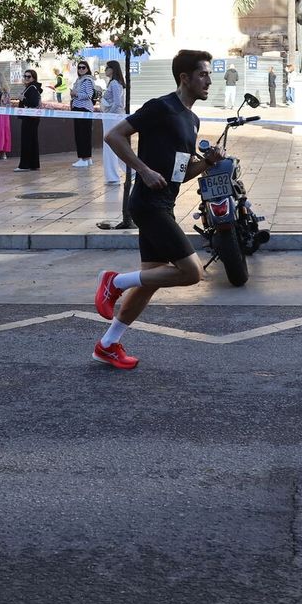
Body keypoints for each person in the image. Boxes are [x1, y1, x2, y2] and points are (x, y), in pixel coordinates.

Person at [91, 50, 227, 370]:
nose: (209, 80)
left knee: (149, 281)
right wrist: (143, 169)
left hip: (165, 202)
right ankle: (114, 283)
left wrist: (207, 162)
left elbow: (180, 173)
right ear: (185, 78)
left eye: (209, 74)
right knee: (192, 272)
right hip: (149, 204)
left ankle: (108, 345)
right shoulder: (160, 107)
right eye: (203, 74)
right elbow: (115, 136)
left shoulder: (192, 119)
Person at [100, 60, 128, 185]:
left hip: (113, 118)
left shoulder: (115, 84)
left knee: (111, 146)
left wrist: (109, 112)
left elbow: (118, 103)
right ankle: (127, 173)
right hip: (111, 117)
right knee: (114, 146)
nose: (105, 70)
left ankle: (114, 176)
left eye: (107, 68)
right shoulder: (112, 83)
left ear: (113, 69)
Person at [16, 68, 43, 171]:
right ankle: (34, 164)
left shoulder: (32, 88)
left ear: (33, 78)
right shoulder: (33, 87)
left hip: (29, 117)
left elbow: (33, 102)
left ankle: (24, 165)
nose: (26, 78)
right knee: (32, 140)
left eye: (29, 76)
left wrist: (23, 98)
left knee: (27, 140)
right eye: (25, 76)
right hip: (33, 117)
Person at [70, 60, 96, 167]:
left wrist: (76, 94)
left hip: (84, 109)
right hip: (77, 108)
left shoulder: (87, 80)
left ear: (87, 69)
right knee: (81, 134)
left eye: (83, 67)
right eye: (79, 67)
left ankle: (84, 159)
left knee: (83, 134)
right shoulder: (78, 80)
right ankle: (87, 158)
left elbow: (89, 95)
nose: (81, 69)